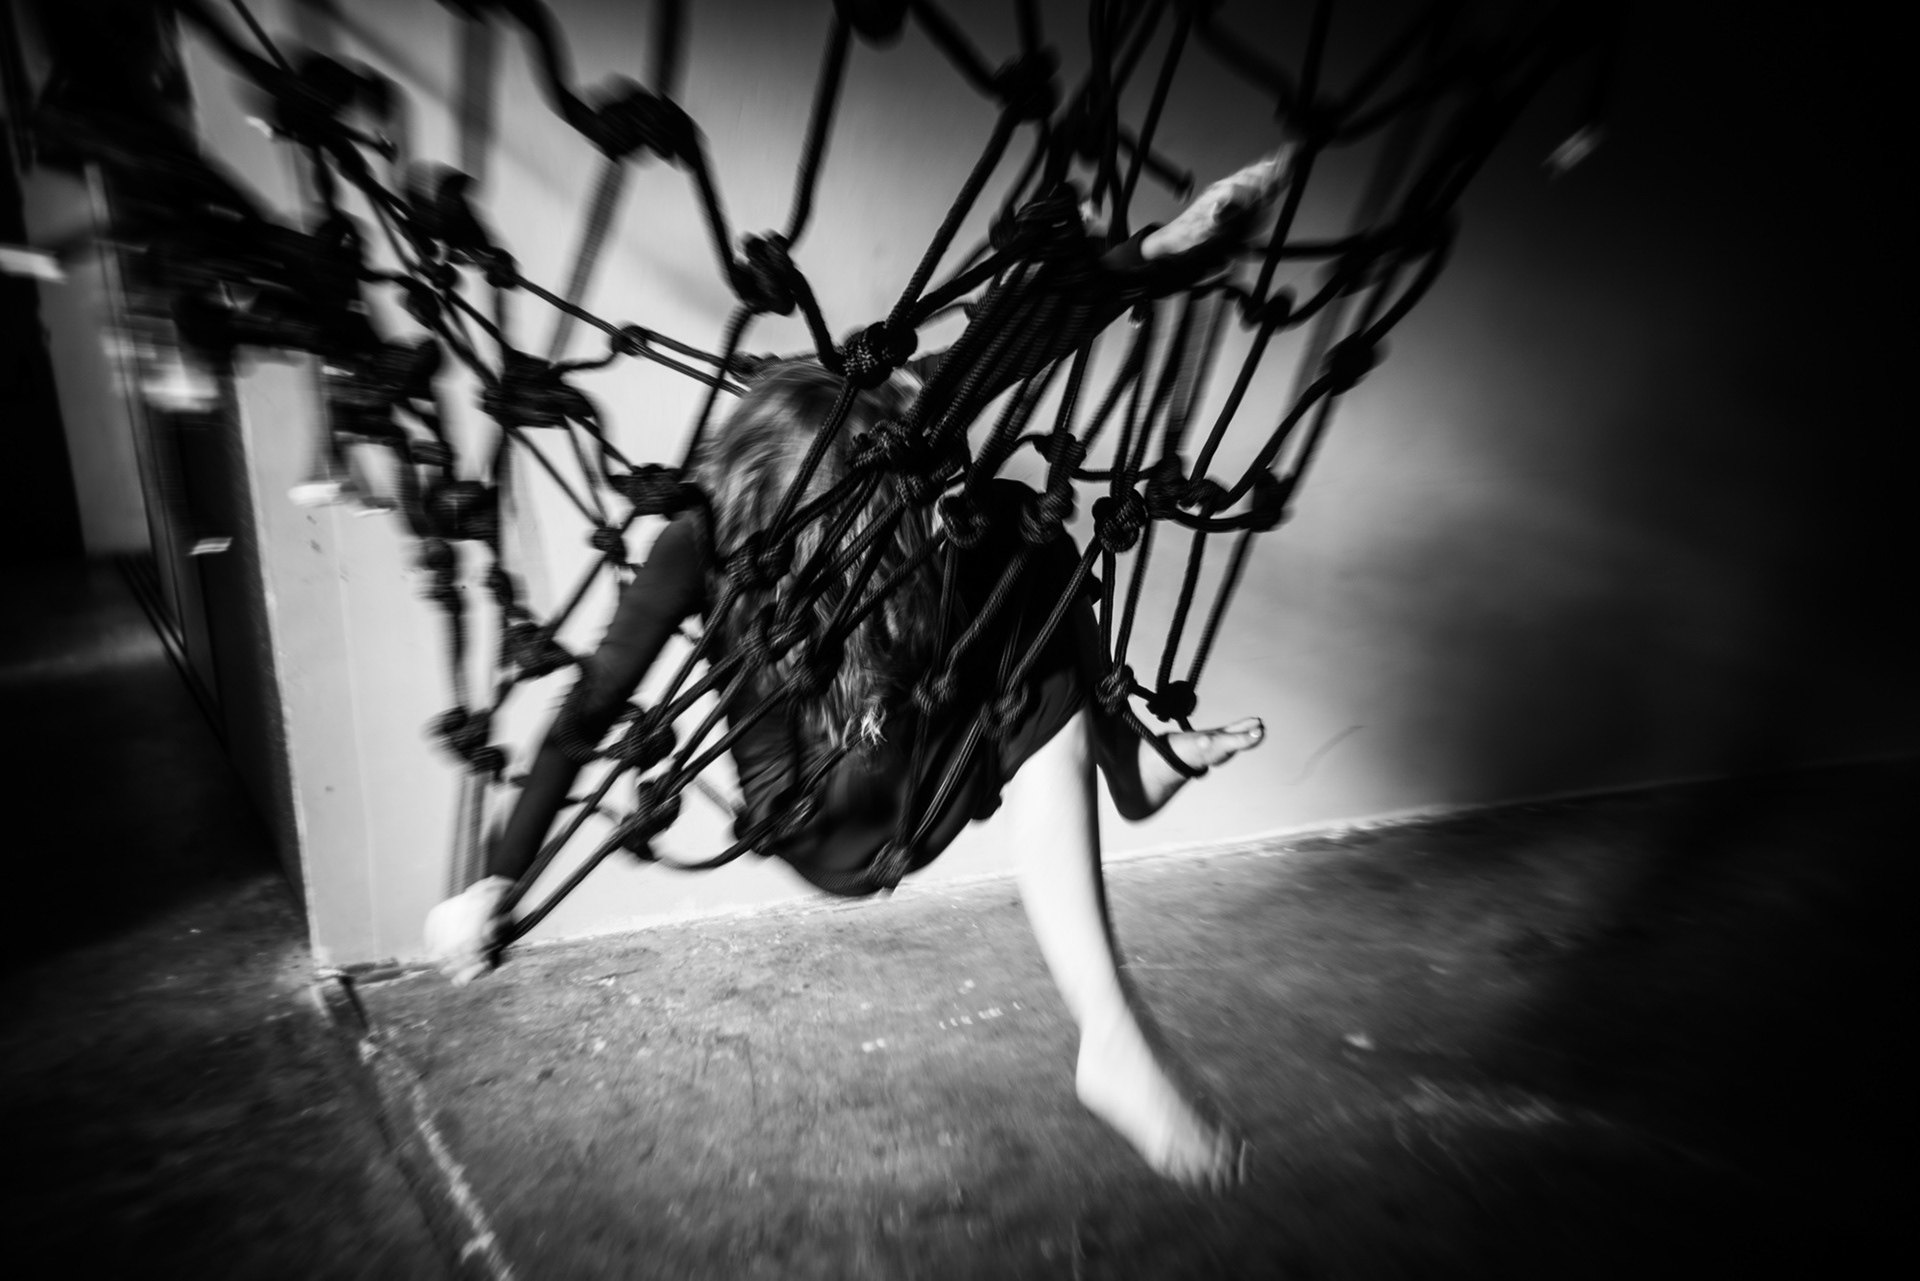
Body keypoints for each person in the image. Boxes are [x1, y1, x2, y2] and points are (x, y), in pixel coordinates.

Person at [427, 153, 1287, 1188]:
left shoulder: (855, 463)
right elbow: (588, 710)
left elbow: (1003, 342)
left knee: (1025, 540)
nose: (913, 499)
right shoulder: (707, 541)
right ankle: (1118, 865)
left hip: (911, 752)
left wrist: (1161, 251)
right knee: (1011, 540)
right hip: (829, 812)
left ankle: (1121, 867)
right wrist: (499, 876)